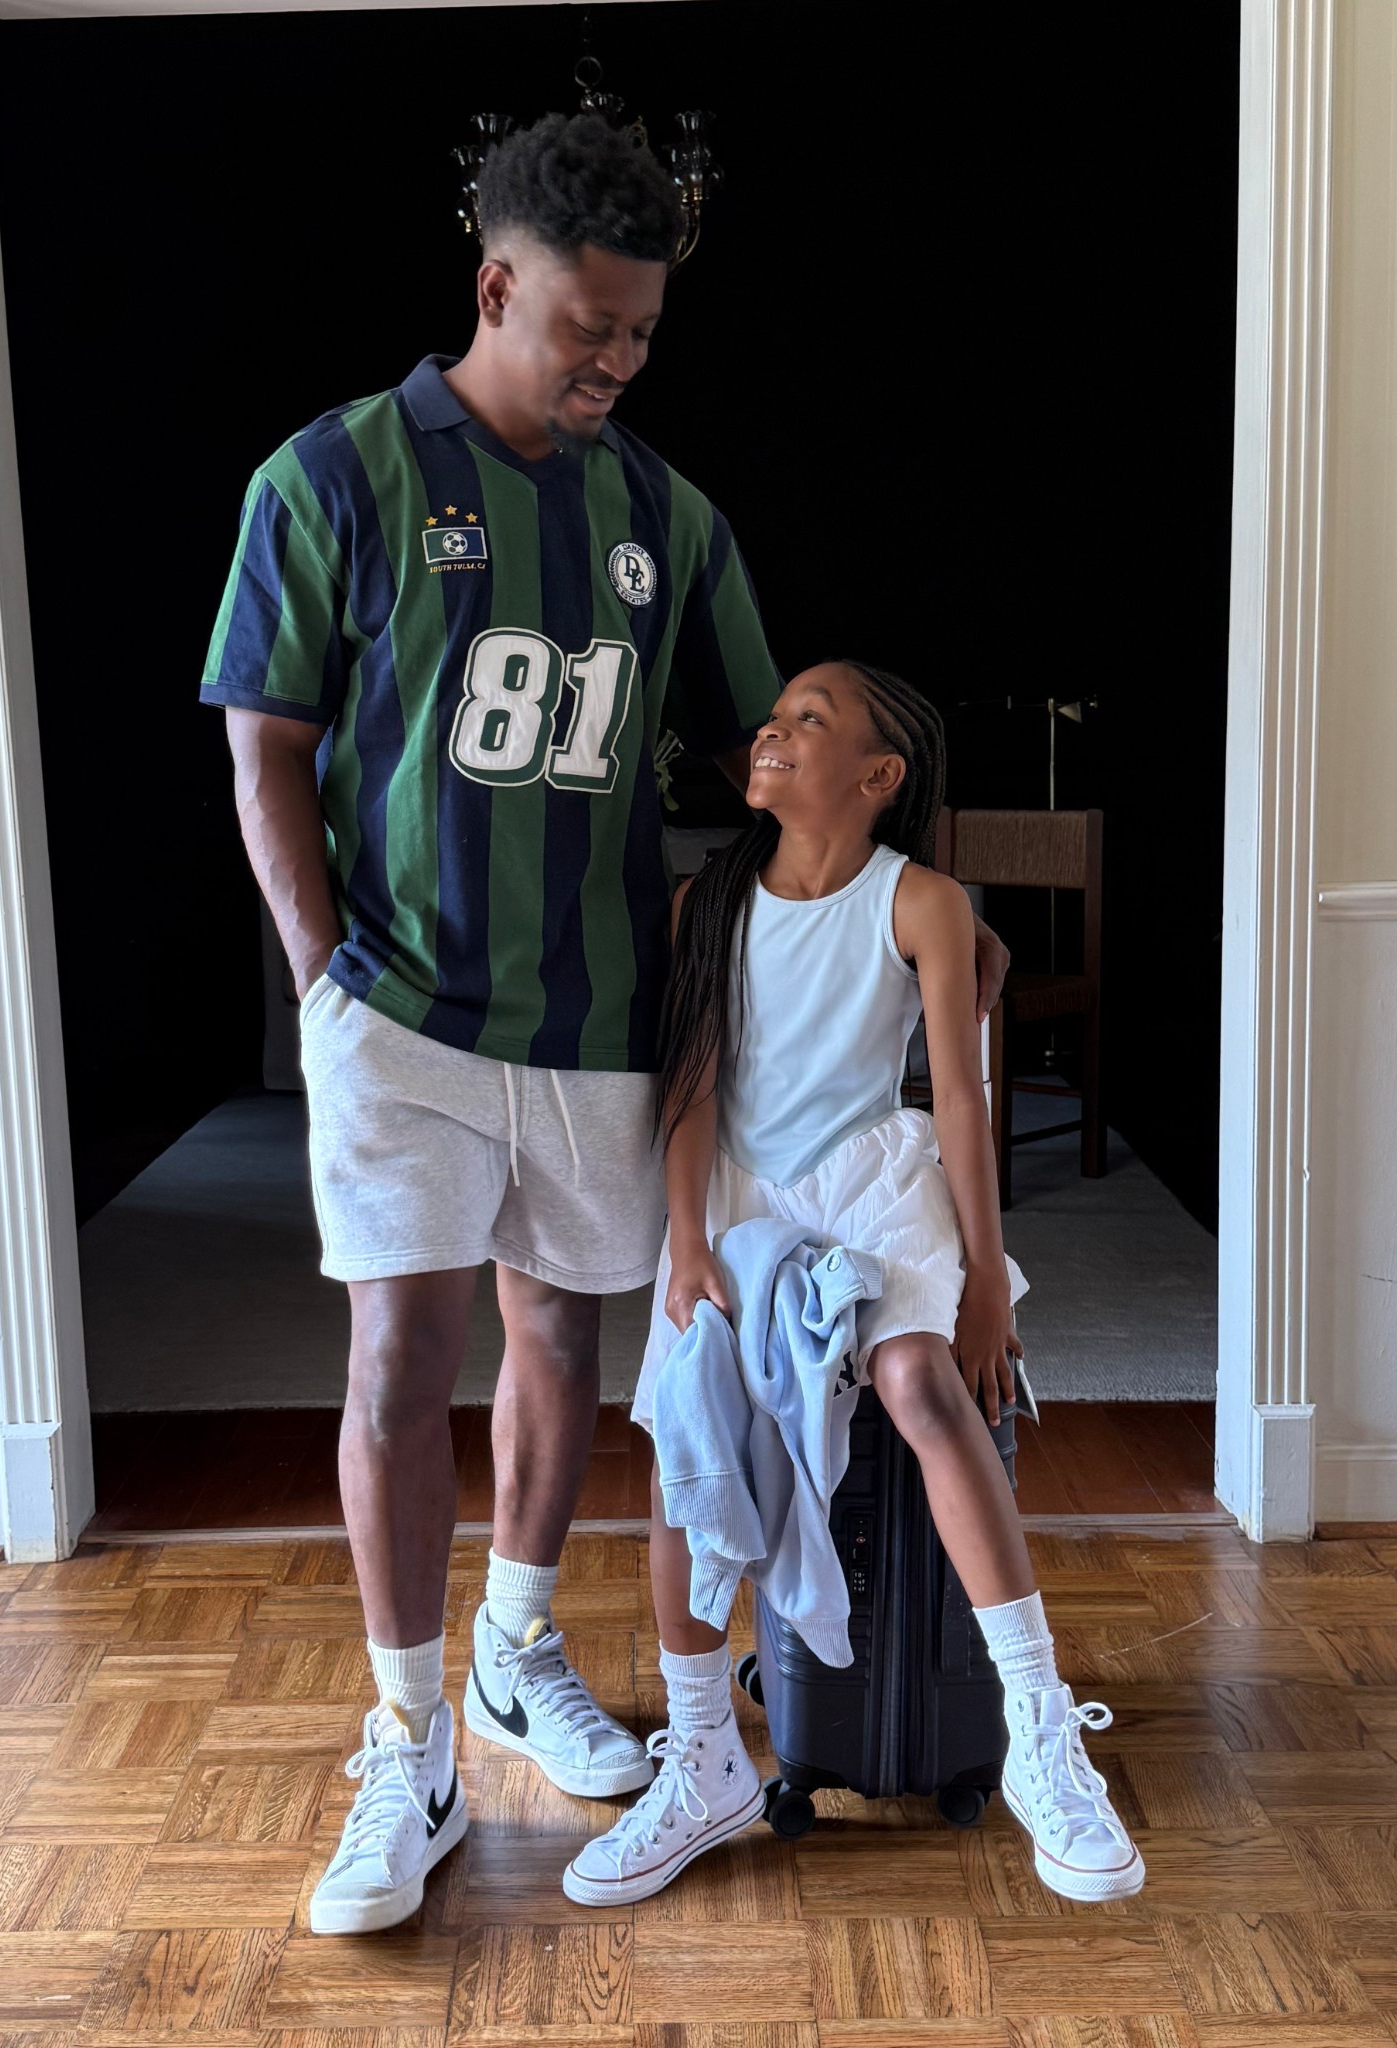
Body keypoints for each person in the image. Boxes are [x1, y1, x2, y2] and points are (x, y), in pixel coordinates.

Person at [202, 114, 1009, 1935]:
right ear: (496, 285)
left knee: (562, 1347)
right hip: (398, 1002)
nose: (616, 364)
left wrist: (896, 925)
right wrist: (323, 971)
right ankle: (403, 1740)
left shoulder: (668, 518)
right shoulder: (330, 476)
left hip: (593, 1025)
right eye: (586, 327)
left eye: (642, 334)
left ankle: (510, 1648)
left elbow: (771, 755)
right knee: (401, 1363)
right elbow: (263, 742)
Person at [563, 660, 1143, 1908]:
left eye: (809, 720)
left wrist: (989, 1280)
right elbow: (693, 1085)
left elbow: (965, 1099)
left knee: (925, 1382)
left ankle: (1041, 1730)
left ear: (878, 779)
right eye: (774, 715)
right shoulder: (705, 900)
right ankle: (705, 1749)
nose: (773, 727)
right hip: (744, 1196)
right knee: (685, 1434)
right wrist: (689, 1246)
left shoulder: (923, 900)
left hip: (873, 1178)